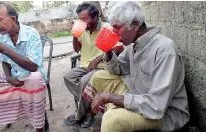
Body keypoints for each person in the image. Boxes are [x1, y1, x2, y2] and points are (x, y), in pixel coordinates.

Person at [82, 1, 190, 132]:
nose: (114, 33)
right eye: (113, 27)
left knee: (112, 119)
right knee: (99, 76)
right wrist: (107, 51)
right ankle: (114, 121)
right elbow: (118, 69)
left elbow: (157, 105)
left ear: (135, 24)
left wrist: (109, 97)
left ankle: (113, 121)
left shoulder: (164, 49)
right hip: (139, 95)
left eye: (118, 27)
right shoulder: (133, 45)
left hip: (165, 114)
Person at [0, 2, 46, 132]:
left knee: (35, 80)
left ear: (13, 19)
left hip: (31, 75)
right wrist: (8, 77)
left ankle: (39, 126)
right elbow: (5, 63)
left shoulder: (31, 33)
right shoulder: (2, 36)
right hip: (14, 75)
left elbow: (33, 67)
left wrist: (4, 49)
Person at [63, 2, 123, 128]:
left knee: (84, 81)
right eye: (80, 19)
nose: (82, 22)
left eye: (85, 19)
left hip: (102, 66)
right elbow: (76, 49)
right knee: (68, 77)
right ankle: (88, 106)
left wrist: (99, 58)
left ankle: (82, 114)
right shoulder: (83, 30)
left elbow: (119, 49)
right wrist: (74, 36)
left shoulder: (107, 28)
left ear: (95, 16)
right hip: (85, 65)